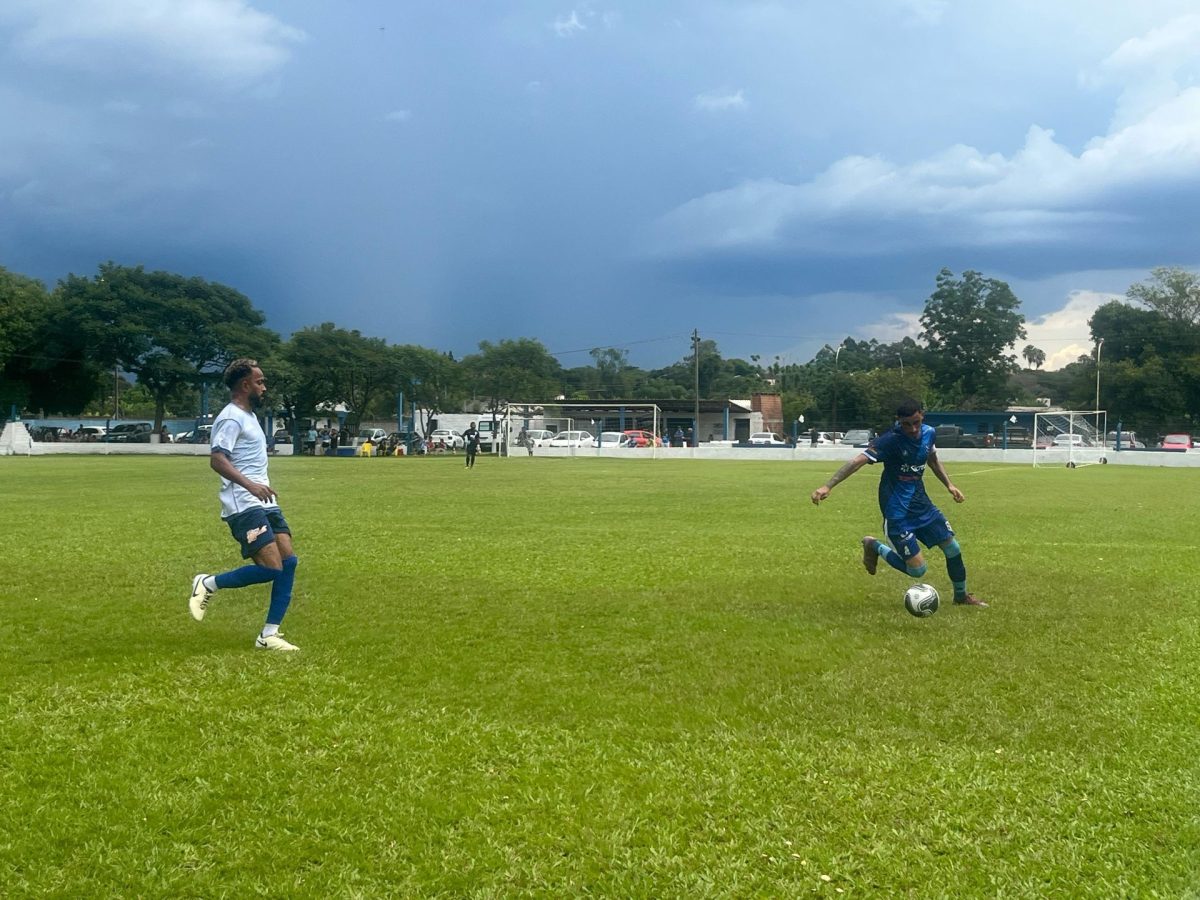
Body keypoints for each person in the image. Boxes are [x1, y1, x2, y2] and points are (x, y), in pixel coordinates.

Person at [810, 398, 987, 607]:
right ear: (898, 421)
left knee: (953, 549)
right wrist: (827, 486)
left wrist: (949, 485)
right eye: (906, 424)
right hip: (897, 512)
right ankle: (873, 545)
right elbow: (856, 462)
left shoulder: (929, 433)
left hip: (923, 505)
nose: (912, 429)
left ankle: (961, 596)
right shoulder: (890, 441)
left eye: (916, 422)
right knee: (917, 570)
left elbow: (932, 459)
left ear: (922, 415)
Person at [187, 358, 303, 651]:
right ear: (245, 384)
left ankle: (268, 635)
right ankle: (208, 583)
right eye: (260, 381)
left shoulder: (249, 416)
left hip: (265, 501)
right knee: (271, 568)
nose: (264, 387)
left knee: (288, 562)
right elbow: (217, 459)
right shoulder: (230, 418)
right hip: (243, 502)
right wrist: (249, 485)